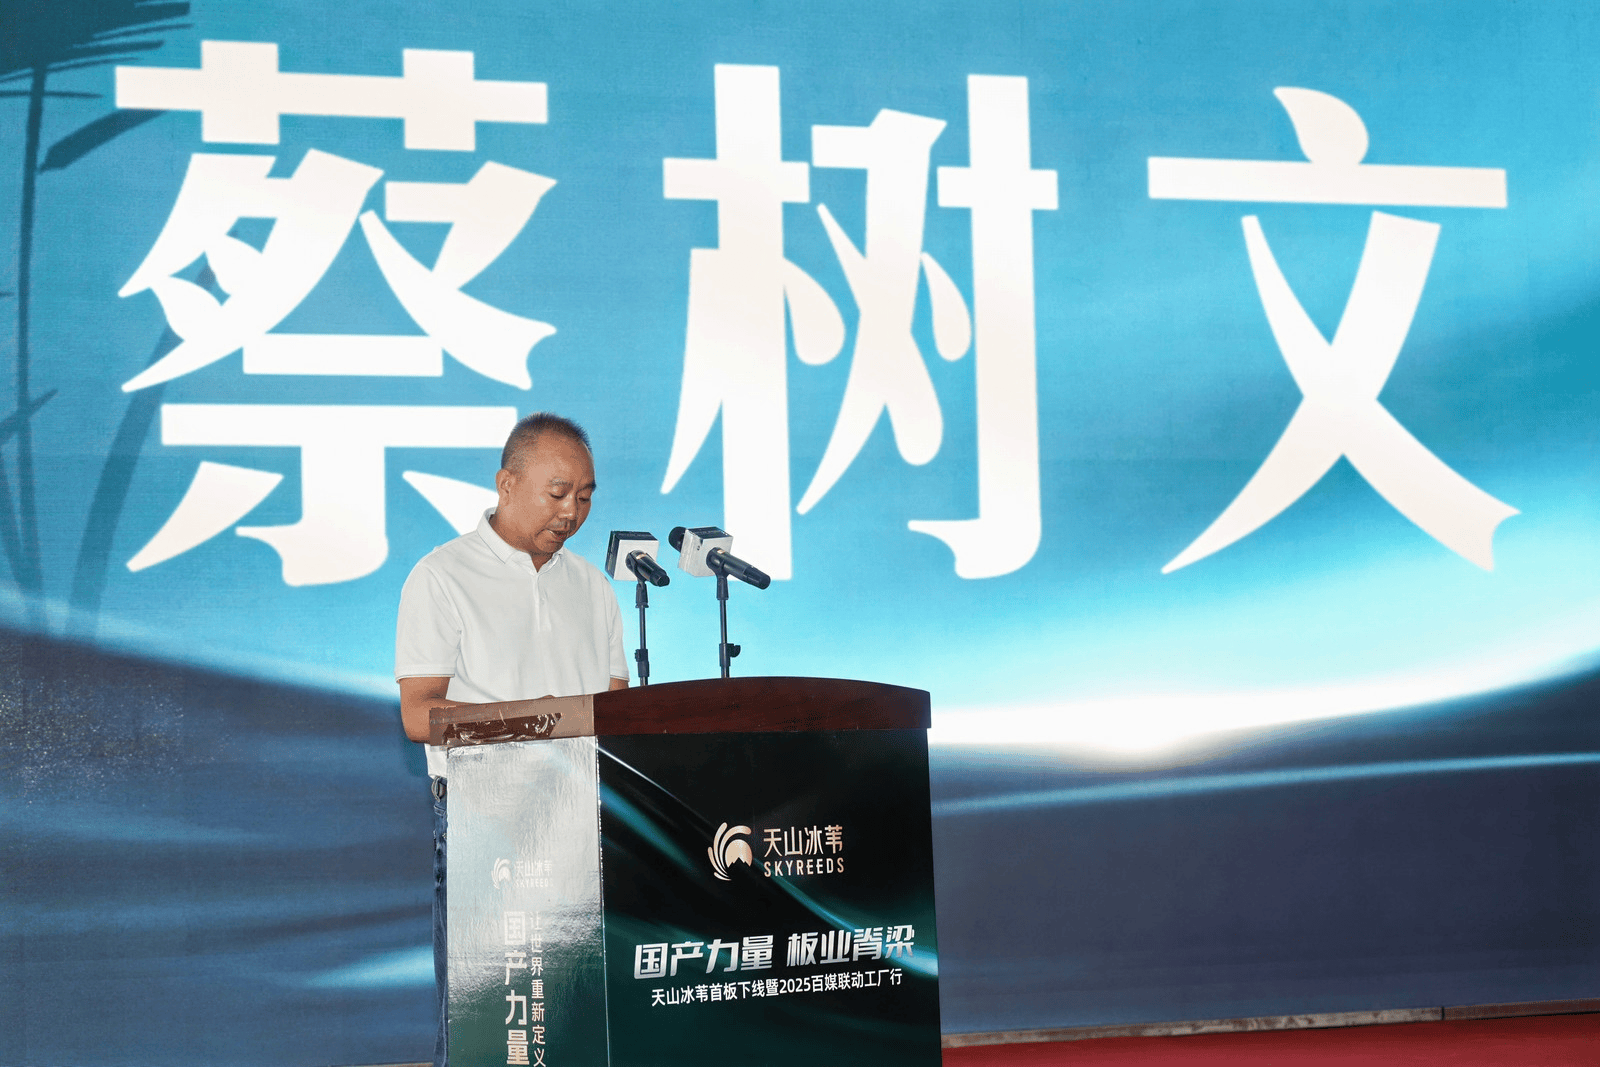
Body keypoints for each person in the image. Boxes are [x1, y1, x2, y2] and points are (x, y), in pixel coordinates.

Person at [394, 412, 628, 1067]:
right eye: (558, 492)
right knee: (490, 1023)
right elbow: (419, 713)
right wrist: (538, 720)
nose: (572, 511)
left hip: (583, 822)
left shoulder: (594, 587)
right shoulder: (443, 576)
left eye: (585, 496)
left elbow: (615, 710)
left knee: (577, 1018)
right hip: (487, 822)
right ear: (506, 483)